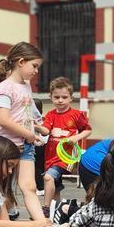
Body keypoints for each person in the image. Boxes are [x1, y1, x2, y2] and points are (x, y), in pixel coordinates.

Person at [0, 42, 50, 223]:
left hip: (26, 146)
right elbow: (4, 119)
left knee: (29, 187)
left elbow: (24, 114)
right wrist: (29, 133)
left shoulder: (26, 85)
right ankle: (2, 225)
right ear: (21, 62)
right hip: (6, 146)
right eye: (34, 66)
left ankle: (42, 226)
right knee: (0, 189)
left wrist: (35, 129)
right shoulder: (5, 88)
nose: (36, 71)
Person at [40, 76, 92, 217]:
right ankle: (56, 212)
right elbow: (45, 131)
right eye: (56, 97)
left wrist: (75, 138)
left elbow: (88, 129)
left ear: (71, 98)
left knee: (48, 178)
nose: (60, 100)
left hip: (65, 158)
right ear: (51, 97)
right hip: (50, 157)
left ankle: (45, 209)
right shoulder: (50, 115)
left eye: (64, 97)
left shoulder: (76, 115)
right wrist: (36, 126)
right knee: (55, 188)